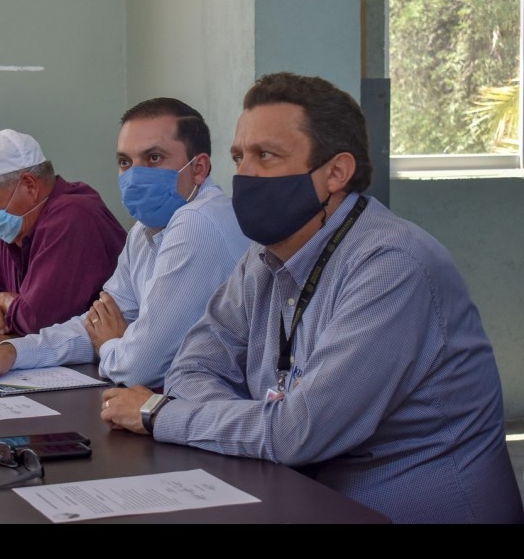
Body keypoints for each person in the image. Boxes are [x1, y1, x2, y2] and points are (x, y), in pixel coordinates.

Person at [100, 73, 524, 524]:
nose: (245, 175)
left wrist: (161, 413)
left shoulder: (392, 266)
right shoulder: (263, 256)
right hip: (296, 494)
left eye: (266, 156)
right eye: (239, 157)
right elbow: (192, 367)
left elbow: (298, 433)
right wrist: (259, 422)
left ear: (336, 172)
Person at [0, 98, 250, 389]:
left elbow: (138, 369)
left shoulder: (198, 221)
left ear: (198, 168)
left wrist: (111, 344)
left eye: (154, 158)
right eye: (125, 162)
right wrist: (13, 353)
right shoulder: (143, 231)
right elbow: (96, 323)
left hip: (215, 410)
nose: (135, 175)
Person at [0, 128, 126, 336]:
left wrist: (2, 300)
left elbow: (37, 320)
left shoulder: (73, 215)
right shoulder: (12, 225)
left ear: (29, 185)